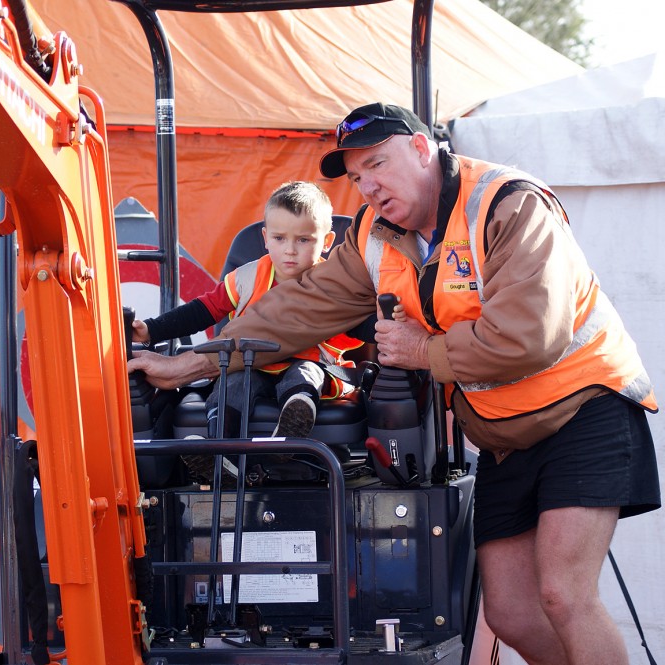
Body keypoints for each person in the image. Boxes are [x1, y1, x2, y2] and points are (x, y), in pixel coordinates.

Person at [128, 102, 660, 665]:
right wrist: (187, 365)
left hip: (584, 409)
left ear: (422, 148)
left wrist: (424, 352)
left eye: (378, 165)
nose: (369, 187)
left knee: (563, 594)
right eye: (357, 178)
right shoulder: (373, 237)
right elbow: (297, 309)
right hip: (506, 436)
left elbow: (531, 334)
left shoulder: (508, 204)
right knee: (510, 613)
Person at [133, 180, 361, 441]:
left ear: (327, 241)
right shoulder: (246, 278)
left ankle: (294, 422)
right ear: (265, 238)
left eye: (303, 240)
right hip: (250, 368)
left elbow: (359, 322)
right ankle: (218, 449)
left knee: (305, 374)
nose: (290, 250)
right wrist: (152, 329)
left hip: (309, 363)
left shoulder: (334, 283)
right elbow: (203, 310)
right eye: (279, 238)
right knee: (232, 383)